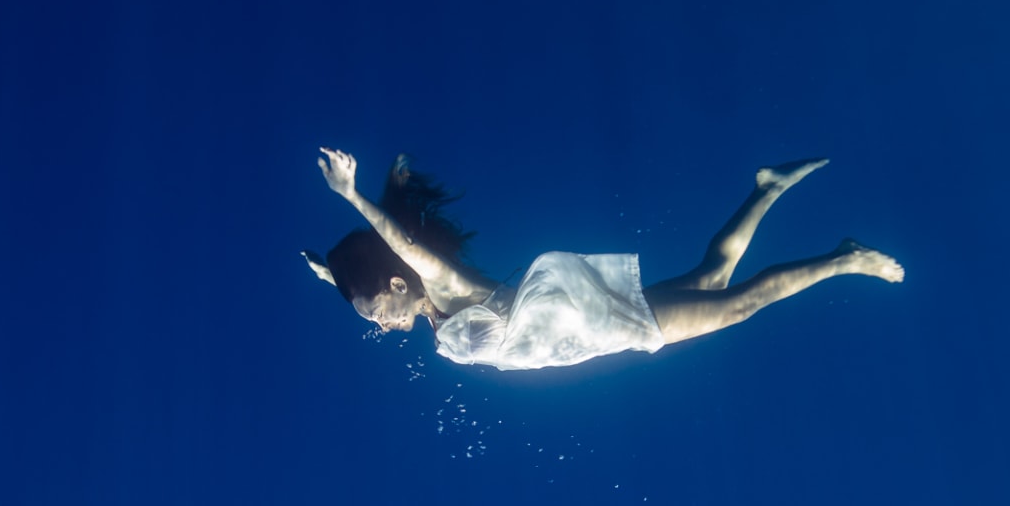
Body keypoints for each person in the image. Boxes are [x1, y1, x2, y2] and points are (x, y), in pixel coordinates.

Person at [302, 147, 902, 371]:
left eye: (377, 311)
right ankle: (766, 188)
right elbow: (386, 268)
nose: (382, 326)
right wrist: (336, 276)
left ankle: (842, 259)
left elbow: (403, 250)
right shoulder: (422, 304)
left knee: (739, 305)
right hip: (593, 325)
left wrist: (353, 196)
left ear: (398, 282)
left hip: (606, 325)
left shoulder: (445, 283)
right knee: (712, 277)